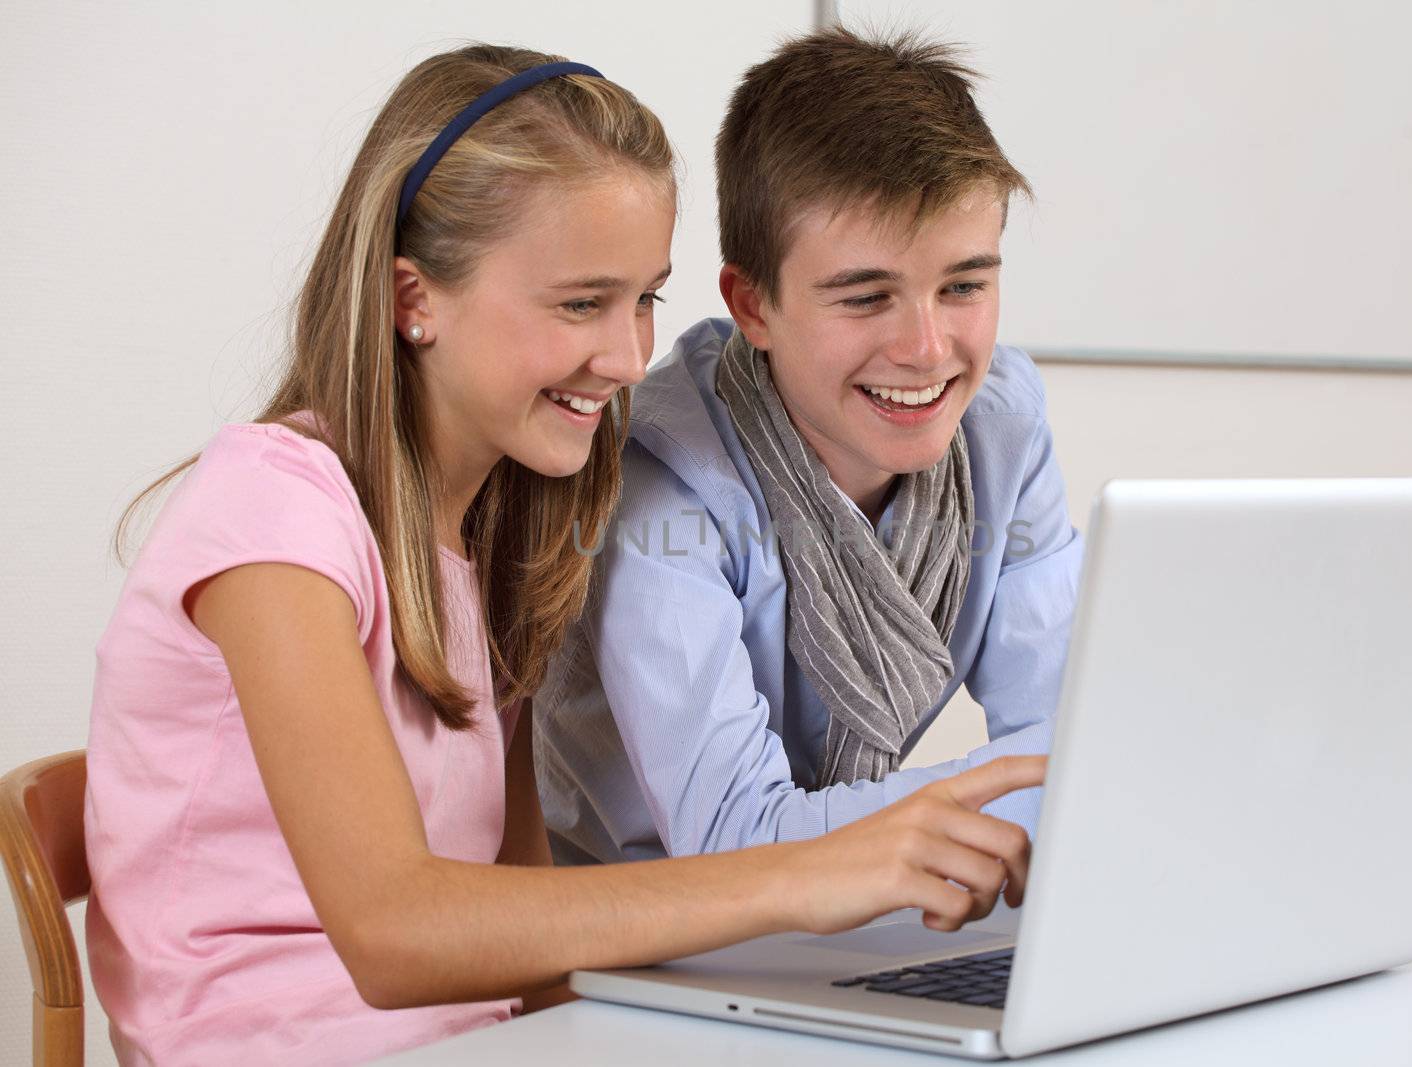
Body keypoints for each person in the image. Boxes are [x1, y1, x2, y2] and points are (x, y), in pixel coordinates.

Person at [83, 43, 1043, 1067]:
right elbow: (394, 930)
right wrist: (804, 871)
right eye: (581, 304)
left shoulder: (501, 534)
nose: (629, 358)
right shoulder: (275, 512)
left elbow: (522, 915)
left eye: (644, 301)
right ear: (415, 298)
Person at [533, 27, 1083, 865]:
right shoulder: (655, 481)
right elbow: (733, 842)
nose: (929, 349)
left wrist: (1074, 781)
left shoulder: (1001, 428)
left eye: (964, 285)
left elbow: (1076, 734)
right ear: (752, 306)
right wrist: (1048, 788)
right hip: (641, 933)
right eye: (866, 298)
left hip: (862, 901)